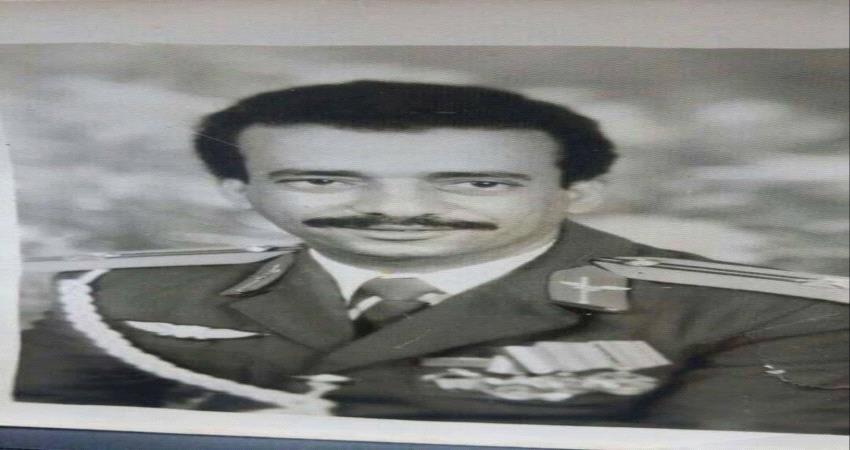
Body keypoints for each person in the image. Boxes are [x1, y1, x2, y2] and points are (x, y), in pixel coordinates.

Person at [15, 81, 849, 434]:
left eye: (475, 182)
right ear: (241, 192)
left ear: (581, 193)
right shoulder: (123, 298)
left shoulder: (771, 315)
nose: (399, 210)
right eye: (321, 179)